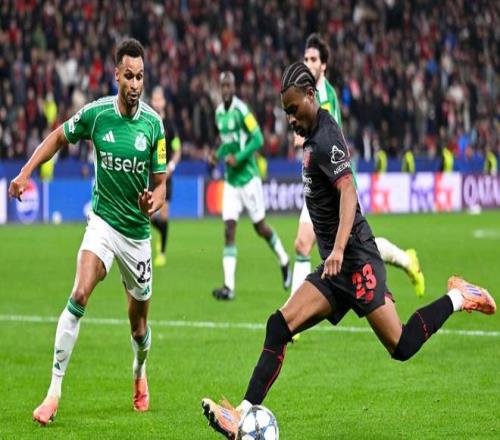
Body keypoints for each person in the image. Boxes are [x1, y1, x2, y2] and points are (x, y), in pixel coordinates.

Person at [201, 62, 496, 438]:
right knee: (279, 326)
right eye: (286, 111)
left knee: (401, 345)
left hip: (356, 261)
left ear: (311, 96)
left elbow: (348, 191)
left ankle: (459, 296)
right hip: (334, 268)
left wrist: (339, 248)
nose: (290, 118)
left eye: (293, 109)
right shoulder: (311, 136)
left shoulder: (326, 138)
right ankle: (240, 415)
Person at [9, 38, 167, 425]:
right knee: (79, 293)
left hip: (136, 236)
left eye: (140, 77)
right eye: (128, 76)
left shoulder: (154, 125)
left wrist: (153, 202)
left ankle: (139, 370)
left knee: (139, 327)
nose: (135, 84)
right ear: (116, 75)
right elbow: (58, 137)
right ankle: (53, 393)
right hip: (102, 223)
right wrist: (26, 172)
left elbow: (161, 184)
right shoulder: (96, 115)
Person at [291, 34, 425, 307]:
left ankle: (405, 260)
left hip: (334, 184)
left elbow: (316, 137)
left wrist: (301, 134)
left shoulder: (325, 96)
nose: (309, 63)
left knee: (355, 248)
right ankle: (293, 312)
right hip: (320, 183)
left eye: (314, 59)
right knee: (304, 244)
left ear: (324, 65)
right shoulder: (310, 94)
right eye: (305, 58)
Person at [210, 71, 291, 300]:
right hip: (231, 182)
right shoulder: (219, 113)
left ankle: (284, 259)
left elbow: (258, 139)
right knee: (229, 230)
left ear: (234, 88)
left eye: (229, 86)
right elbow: (228, 144)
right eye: (223, 86)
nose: (226, 90)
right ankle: (229, 287)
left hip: (248, 179)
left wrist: (239, 158)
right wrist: (217, 155)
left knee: (260, 228)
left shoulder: (242, 111)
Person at [149, 85, 182, 267]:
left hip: (166, 176)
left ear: (164, 102)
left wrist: (171, 166)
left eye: (159, 99)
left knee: (164, 213)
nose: (157, 102)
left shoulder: (170, 125)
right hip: (149, 173)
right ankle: (160, 234)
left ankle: (161, 252)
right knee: (147, 215)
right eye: (154, 99)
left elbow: (177, 150)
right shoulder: (147, 122)